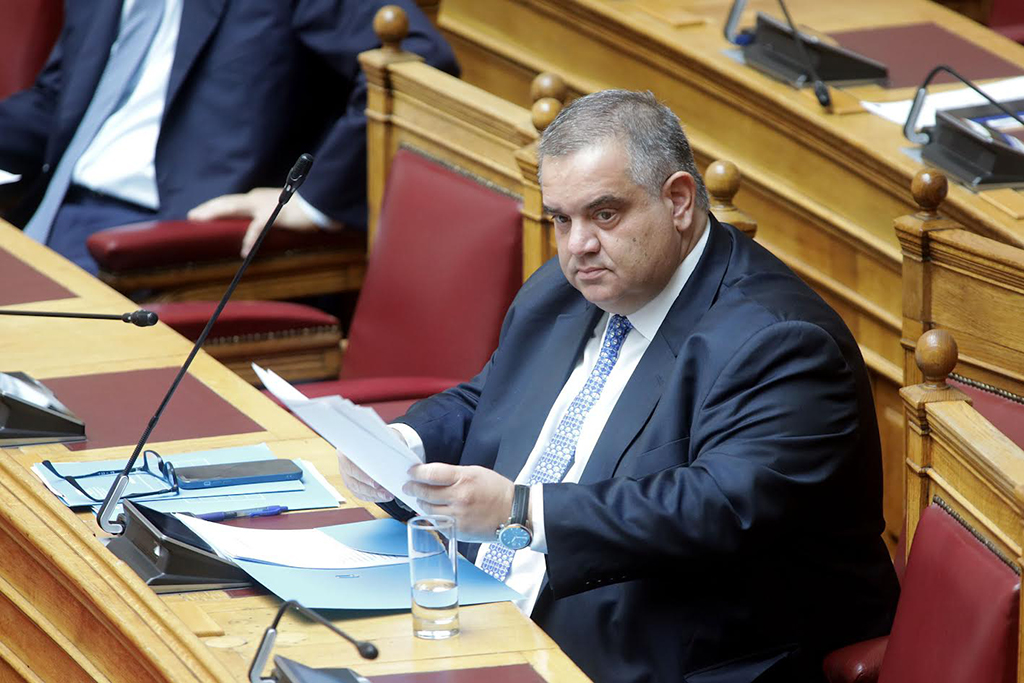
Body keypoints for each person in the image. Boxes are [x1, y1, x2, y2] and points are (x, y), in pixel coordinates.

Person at [339, 90, 899, 683]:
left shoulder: (781, 342)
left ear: (678, 201)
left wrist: (519, 512)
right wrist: (404, 444)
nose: (577, 245)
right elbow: (491, 398)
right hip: (491, 614)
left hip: (670, 657)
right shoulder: (561, 289)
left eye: (604, 214)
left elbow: (715, 507)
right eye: (562, 219)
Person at [0, 0, 457, 274]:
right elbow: (60, 100)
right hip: (48, 213)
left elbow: (418, 62)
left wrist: (313, 199)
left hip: (156, 242)